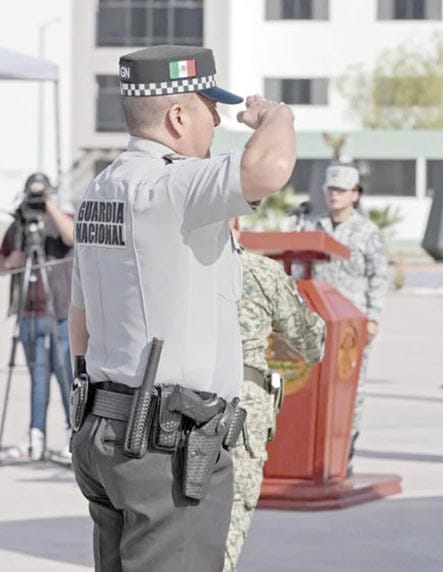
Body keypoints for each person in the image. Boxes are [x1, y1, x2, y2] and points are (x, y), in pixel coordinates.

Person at [68, 45, 296, 572]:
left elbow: (80, 321)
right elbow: (271, 167)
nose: (218, 119)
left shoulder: (100, 190)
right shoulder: (175, 183)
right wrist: (277, 115)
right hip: (165, 448)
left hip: (109, 429)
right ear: (177, 115)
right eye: (209, 106)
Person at [224, 217, 326, 572]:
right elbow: (310, 342)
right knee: (228, 520)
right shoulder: (260, 273)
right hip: (238, 415)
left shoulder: (167, 274)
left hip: (169, 410)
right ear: (236, 221)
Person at [303, 164, 389, 474]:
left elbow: (379, 276)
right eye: (331, 189)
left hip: (352, 324)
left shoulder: (367, 232)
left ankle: (344, 452)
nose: (335, 195)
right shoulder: (311, 226)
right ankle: (314, 451)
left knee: (352, 389)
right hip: (315, 322)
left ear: (355, 194)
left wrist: (374, 317)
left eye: (342, 190)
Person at [0, 172, 74, 461]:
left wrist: (48, 205)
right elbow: (8, 265)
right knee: (38, 376)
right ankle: (35, 435)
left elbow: (71, 236)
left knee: (65, 374)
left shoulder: (60, 220)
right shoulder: (18, 227)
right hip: (30, 312)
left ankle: (72, 434)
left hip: (60, 312)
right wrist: (20, 228)